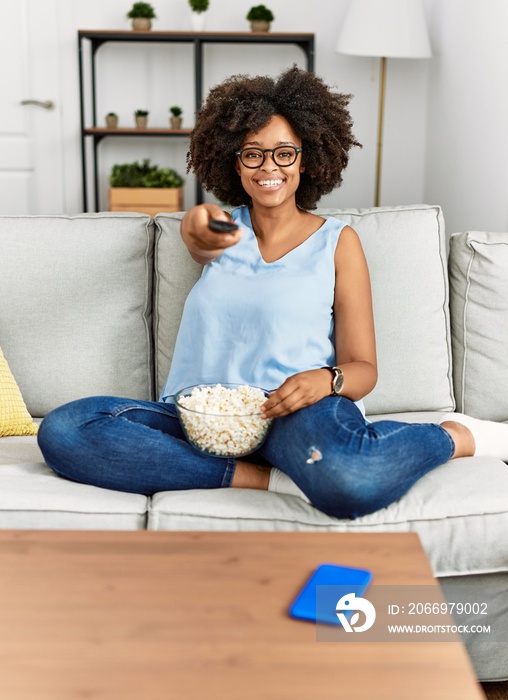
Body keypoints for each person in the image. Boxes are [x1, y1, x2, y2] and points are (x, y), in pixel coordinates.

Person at [38, 66, 508, 519]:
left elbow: (363, 370)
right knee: (65, 430)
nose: (269, 167)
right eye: (253, 153)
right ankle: (265, 479)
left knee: (352, 482)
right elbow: (199, 230)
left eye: (284, 152)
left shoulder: (338, 243)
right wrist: (197, 225)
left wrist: (324, 381)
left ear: (306, 157)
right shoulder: (221, 229)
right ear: (233, 161)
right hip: (198, 418)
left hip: (292, 414)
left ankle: (453, 436)